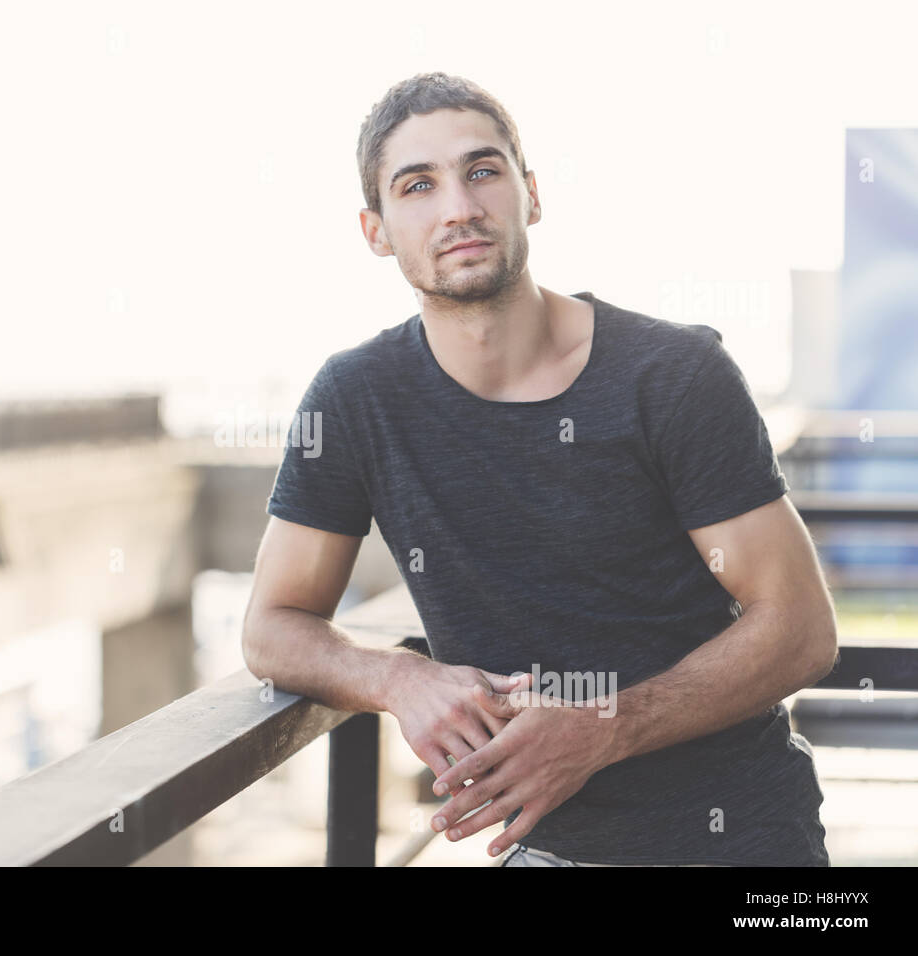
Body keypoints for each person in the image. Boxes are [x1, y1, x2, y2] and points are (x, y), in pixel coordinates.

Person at [241, 72, 837, 866]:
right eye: (418, 186)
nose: (458, 207)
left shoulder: (673, 374)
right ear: (376, 230)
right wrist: (397, 679)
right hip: (541, 851)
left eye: (482, 171)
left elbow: (801, 630)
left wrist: (605, 727)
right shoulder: (356, 399)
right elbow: (272, 625)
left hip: (741, 839)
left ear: (530, 193)